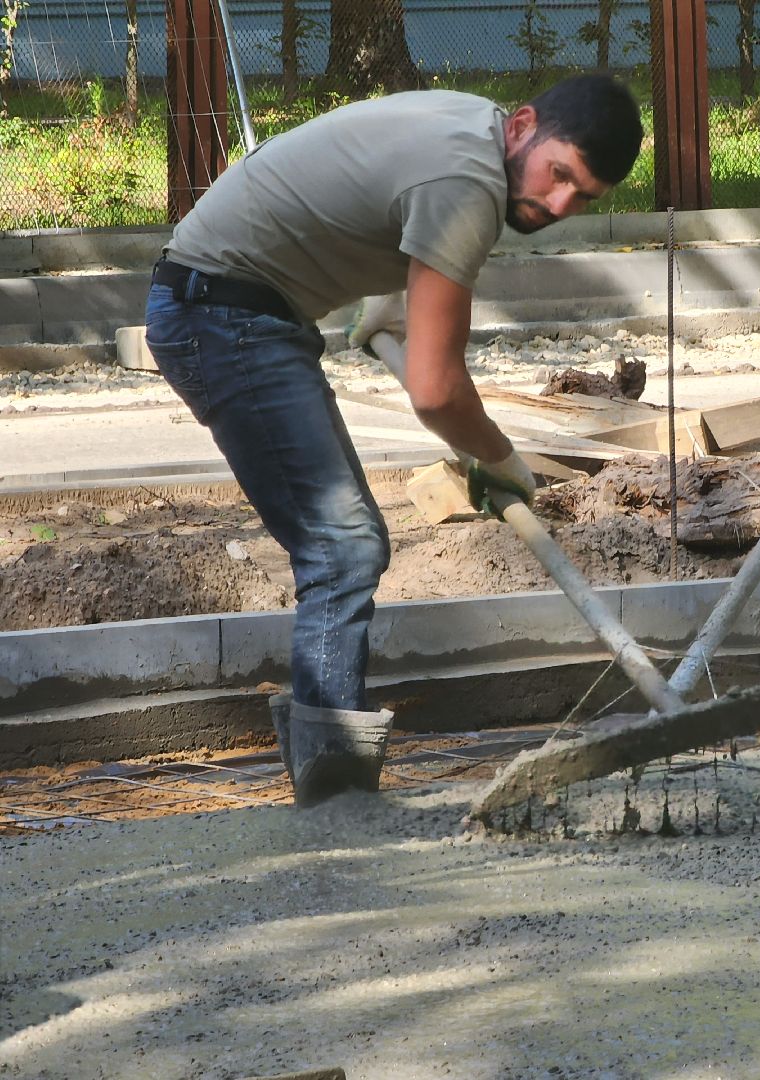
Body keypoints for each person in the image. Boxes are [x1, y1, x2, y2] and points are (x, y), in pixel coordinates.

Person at [144, 75, 643, 804]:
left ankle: (328, 776)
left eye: (584, 197)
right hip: (220, 314)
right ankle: (335, 797)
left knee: (348, 545)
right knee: (341, 546)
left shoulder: (473, 127)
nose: (561, 204)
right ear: (524, 127)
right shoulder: (467, 185)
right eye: (560, 173)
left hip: (237, 305)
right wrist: (501, 458)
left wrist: (388, 301)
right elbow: (437, 390)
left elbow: (375, 188)